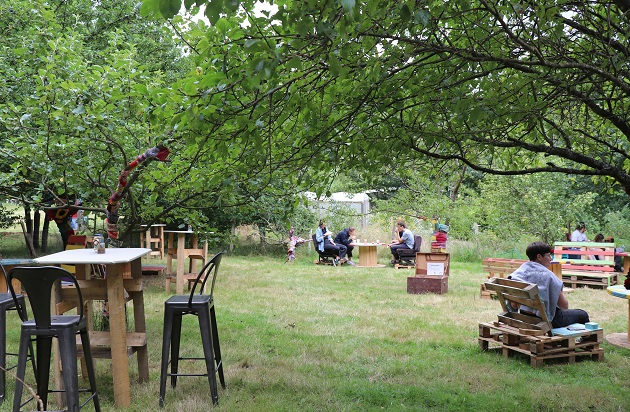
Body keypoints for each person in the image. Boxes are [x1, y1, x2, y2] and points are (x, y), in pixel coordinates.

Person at [510, 241, 590, 328]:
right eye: (548, 255)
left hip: (525, 317)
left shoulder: (518, 273)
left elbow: (513, 304)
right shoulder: (549, 276)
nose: (551, 258)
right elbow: (564, 306)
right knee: (583, 314)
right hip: (547, 321)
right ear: (539, 257)